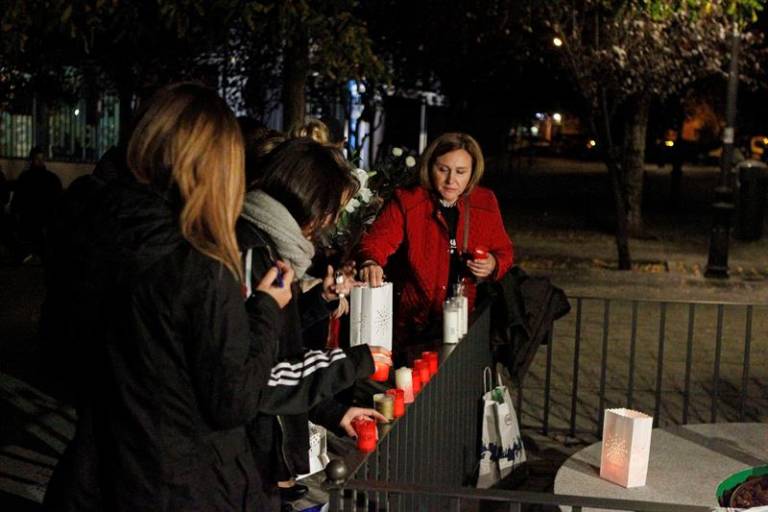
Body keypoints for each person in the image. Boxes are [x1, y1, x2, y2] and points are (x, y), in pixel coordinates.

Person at [41, 82, 343, 512]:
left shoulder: (90, 230)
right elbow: (232, 398)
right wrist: (263, 308)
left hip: (103, 469)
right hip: (187, 480)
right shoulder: (197, 257)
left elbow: (59, 354)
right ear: (215, 163)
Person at [237, 137, 391, 505]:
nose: (330, 223)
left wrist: (335, 412)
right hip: (245, 458)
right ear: (309, 201)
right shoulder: (250, 251)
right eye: (331, 210)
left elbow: (281, 339)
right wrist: (351, 363)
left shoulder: (274, 248)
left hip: (265, 455)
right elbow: (258, 375)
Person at [357, 132, 514, 347]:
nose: (451, 180)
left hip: (465, 318)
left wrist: (493, 264)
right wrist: (371, 262)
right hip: (413, 321)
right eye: (443, 170)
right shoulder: (408, 200)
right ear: (429, 167)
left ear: (472, 172)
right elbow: (378, 241)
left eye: (461, 172)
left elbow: (504, 252)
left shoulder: (485, 201)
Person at [10, 146, 62, 262]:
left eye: (41, 158)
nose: (40, 161)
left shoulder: (48, 179)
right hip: (35, 218)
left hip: (37, 218)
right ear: (32, 160)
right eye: (37, 159)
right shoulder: (49, 178)